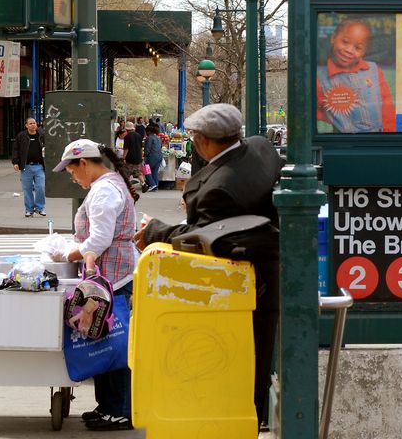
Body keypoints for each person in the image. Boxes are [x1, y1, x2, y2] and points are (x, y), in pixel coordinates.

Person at [135, 103, 283, 429]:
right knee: (252, 367)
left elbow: (206, 235)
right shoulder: (258, 147)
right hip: (265, 272)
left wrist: (154, 231)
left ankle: (243, 426)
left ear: (202, 141)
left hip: (243, 288)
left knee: (240, 374)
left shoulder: (220, 189)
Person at [49, 139, 138, 431]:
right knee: (102, 339)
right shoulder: (108, 185)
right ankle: (109, 406)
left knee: (113, 344)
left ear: (84, 164)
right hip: (111, 275)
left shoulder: (104, 192)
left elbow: (99, 240)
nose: (73, 178)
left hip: (114, 277)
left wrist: (66, 253)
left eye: (72, 172)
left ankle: (120, 410)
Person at [317, 18, 396, 133]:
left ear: (365, 51)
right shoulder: (321, 78)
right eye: (345, 42)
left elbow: (387, 109)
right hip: (345, 146)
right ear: (333, 38)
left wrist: (390, 139)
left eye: (358, 48)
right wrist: (332, 119)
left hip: (378, 142)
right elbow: (306, 113)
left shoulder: (374, 70)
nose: (349, 50)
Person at [11, 118, 46, 218]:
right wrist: (15, 162)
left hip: (39, 166)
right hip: (26, 167)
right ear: (26, 125)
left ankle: (40, 208)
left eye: (34, 123)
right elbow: (15, 150)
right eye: (30, 123)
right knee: (27, 189)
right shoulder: (21, 136)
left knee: (40, 187)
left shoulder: (42, 135)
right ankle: (29, 209)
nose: (33, 125)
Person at [121, 122, 146, 193]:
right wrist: (141, 156)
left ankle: (127, 187)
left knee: (126, 173)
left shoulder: (127, 137)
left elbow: (126, 149)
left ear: (126, 129)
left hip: (130, 158)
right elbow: (141, 147)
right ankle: (144, 184)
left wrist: (123, 158)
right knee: (137, 172)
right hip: (138, 157)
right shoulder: (138, 135)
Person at [144, 123, 164, 192]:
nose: (145, 133)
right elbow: (161, 147)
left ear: (148, 131)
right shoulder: (158, 138)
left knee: (146, 170)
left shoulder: (149, 138)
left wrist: (145, 156)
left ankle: (152, 184)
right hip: (159, 156)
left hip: (152, 156)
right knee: (155, 172)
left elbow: (147, 149)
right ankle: (156, 186)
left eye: (146, 132)